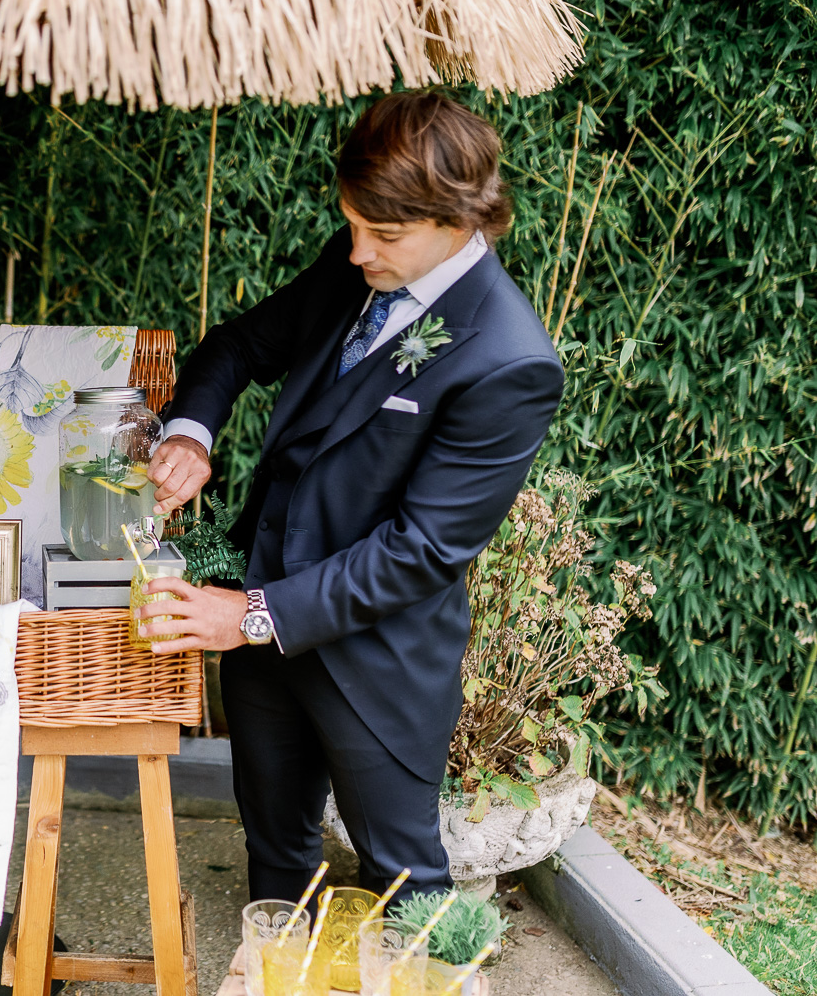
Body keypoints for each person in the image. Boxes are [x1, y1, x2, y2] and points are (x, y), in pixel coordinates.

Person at [140, 90, 564, 903]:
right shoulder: (359, 259)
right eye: (353, 223)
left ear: (460, 219)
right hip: (259, 637)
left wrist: (254, 613)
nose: (358, 251)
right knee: (274, 860)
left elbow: (423, 552)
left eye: (384, 235)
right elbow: (237, 346)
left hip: (377, 661)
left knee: (405, 879)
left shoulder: (511, 359)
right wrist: (190, 432)